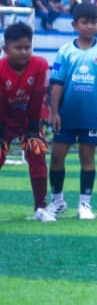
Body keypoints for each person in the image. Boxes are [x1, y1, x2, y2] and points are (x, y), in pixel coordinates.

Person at [47, 3, 97, 220]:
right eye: (85, 22)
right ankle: (57, 201)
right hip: (66, 114)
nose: (90, 26)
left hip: (93, 114)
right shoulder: (64, 52)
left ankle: (85, 204)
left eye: (94, 22)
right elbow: (57, 83)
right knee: (57, 156)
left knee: (87, 157)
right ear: (74, 25)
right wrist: (54, 112)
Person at [0, 22, 55, 221]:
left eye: (27, 47)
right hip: (4, 118)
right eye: (18, 48)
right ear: (5, 49)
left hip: (28, 118)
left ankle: (41, 207)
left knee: (36, 153)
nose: (24, 52)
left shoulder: (40, 65)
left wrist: (32, 129)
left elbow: (38, 98)